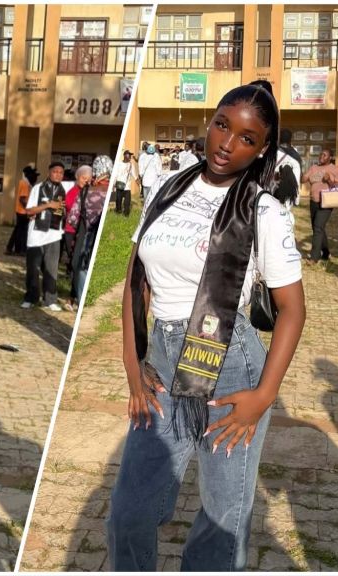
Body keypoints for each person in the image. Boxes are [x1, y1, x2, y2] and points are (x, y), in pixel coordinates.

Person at [107, 81, 305, 571]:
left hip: (231, 370)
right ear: (210, 120)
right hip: (164, 364)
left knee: (222, 520)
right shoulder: (168, 187)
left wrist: (263, 397)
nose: (226, 144)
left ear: (262, 149)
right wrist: (133, 366)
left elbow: (293, 311)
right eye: (222, 125)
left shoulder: (265, 211)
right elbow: (137, 281)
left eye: (246, 138)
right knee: (128, 513)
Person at [67, 156, 112, 310]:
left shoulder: (86, 192)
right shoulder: (111, 192)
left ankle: (81, 302)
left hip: (86, 240)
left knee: (81, 270)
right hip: (105, 242)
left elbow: (72, 218)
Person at [22, 162, 66, 311]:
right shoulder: (38, 188)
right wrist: (48, 205)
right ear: (49, 173)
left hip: (54, 234)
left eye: (61, 172)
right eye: (55, 172)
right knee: (33, 268)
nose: (58, 175)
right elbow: (29, 211)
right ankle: (31, 297)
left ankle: (50, 299)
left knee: (51, 269)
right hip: (36, 233)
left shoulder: (63, 190)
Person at [302, 147, 338, 263]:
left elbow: (336, 187)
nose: (321, 157)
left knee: (318, 227)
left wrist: (329, 180)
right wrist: (304, 177)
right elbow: (303, 179)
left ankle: (314, 257)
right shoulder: (314, 167)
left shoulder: (335, 169)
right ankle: (326, 252)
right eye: (320, 155)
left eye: (324, 155)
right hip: (313, 201)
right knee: (318, 227)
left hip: (326, 202)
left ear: (330, 157)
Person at [62, 165, 92, 304]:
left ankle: (74, 294)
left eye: (88, 178)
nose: (85, 181)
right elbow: (69, 208)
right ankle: (73, 295)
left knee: (79, 264)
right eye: (83, 178)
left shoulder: (90, 193)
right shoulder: (72, 192)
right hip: (71, 231)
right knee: (74, 264)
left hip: (83, 232)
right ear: (77, 177)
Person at [5, 164, 37, 256]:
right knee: (22, 232)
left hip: (22, 211)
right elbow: (22, 199)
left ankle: (11, 248)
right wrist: (29, 209)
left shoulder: (26, 183)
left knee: (18, 230)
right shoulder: (24, 183)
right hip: (22, 211)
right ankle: (20, 250)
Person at [113, 150, 137, 216]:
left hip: (127, 186)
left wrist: (137, 181)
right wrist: (113, 184)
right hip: (119, 185)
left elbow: (134, 174)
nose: (130, 156)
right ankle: (118, 211)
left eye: (130, 155)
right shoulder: (119, 164)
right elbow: (115, 174)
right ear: (124, 155)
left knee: (127, 202)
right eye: (128, 154)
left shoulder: (131, 165)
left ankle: (126, 214)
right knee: (118, 200)